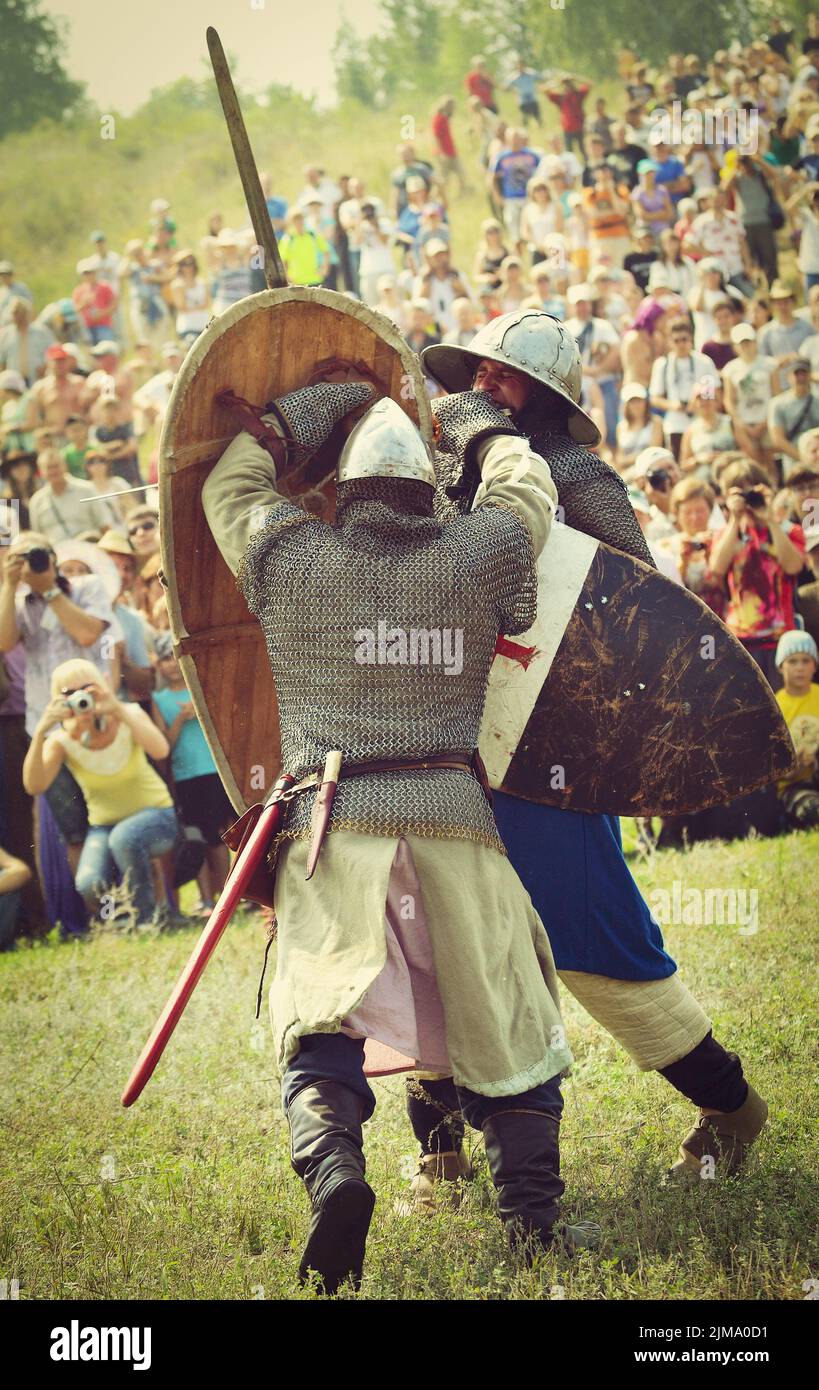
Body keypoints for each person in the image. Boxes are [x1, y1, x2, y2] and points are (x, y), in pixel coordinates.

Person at [202, 376, 600, 1291]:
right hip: (453, 826)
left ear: (337, 492)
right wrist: (471, 421)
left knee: (322, 1023)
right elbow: (526, 486)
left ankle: (337, 1172)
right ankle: (531, 1224)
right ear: (430, 492)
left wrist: (303, 411)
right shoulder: (474, 553)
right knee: (506, 1016)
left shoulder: (294, 557)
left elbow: (230, 486)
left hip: (332, 831)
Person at [415, 311, 768, 1202]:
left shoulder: (573, 475)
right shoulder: (430, 483)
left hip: (548, 761)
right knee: (432, 938)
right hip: (442, 748)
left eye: (504, 376)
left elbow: (630, 605)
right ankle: (441, 1150)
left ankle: (729, 1108)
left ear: (546, 395)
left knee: (593, 939)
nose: (483, 385)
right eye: (479, 372)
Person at [22, 659, 178, 928]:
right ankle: (118, 920)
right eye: (69, 693)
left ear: (103, 686)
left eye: (86, 688)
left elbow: (161, 750)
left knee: (124, 838)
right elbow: (34, 786)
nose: (79, 697)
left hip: (158, 817)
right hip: (104, 826)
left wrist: (116, 708)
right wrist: (40, 732)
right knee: (88, 881)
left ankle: (147, 919)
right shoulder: (61, 740)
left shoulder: (128, 714)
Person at [151, 634, 233, 914]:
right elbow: (164, 747)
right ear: (157, 665)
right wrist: (180, 720)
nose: (171, 666)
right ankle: (207, 899)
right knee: (197, 836)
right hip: (186, 777)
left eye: (173, 658)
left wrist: (200, 712)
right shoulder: (158, 699)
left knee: (220, 835)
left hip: (214, 770)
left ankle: (229, 894)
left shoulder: (201, 687)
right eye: (164, 660)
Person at [709, 459, 806, 687]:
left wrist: (770, 519)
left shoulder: (788, 530)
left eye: (753, 490)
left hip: (781, 639)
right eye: (741, 492)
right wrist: (735, 518)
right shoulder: (726, 533)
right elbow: (716, 569)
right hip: (741, 640)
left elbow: (793, 566)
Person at [649, 316, 719, 459]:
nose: (681, 344)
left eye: (684, 339)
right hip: (675, 423)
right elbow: (655, 398)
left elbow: (716, 392)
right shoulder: (663, 364)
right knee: (680, 461)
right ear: (670, 342)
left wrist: (697, 403)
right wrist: (673, 405)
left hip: (702, 421)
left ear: (691, 339)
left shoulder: (704, 362)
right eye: (676, 340)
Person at [772, 630, 819, 828]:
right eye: (792, 661)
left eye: (805, 661)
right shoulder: (774, 707)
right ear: (781, 667)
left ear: (814, 666)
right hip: (793, 786)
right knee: (811, 810)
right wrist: (791, 771)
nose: (799, 668)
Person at [722, 323, 779, 476]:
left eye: (749, 342)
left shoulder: (769, 364)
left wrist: (766, 421)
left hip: (766, 420)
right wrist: (740, 422)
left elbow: (776, 395)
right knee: (753, 463)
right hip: (744, 422)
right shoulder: (730, 369)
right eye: (742, 343)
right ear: (736, 346)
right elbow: (729, 399)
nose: (746, 346)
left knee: (770, 460)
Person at [491, 129, 541, 253]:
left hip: (529, 197)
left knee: (531, 229)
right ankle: (518, 257)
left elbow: (541, 173)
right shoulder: (502, 157)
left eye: (517, 140)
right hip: (511, 198)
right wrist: (498, 196)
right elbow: (492, 177)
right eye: (512, 140)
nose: (515, 143)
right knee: (515, 233)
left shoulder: (531, 155)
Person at [768, 358, 819, 478]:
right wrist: (804, 458)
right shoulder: (777, 404)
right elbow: (778, 439)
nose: (800, 378)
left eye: (803, 373)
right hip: (794, 461)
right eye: (797, 374)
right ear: (789, 376)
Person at [0, 299, 55, 386]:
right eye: (14, 312)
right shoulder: (6, 334)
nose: (17, 316)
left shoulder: (41, 332)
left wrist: (45, 367)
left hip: (37, 380)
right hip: (14, 382)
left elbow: (53, 351)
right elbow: (2, 360)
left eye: (20, 312)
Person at [615, 382, 663, 470]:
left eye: (639, 401)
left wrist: (628, 459)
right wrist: (639, 455)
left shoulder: (656, 422)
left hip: (650, 468)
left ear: (646, 402)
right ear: (626, 405)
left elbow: (654, 451)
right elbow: (619, 458)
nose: (636, 405)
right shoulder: (621, 427)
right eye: (632, 402)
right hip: (627, 472)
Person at [278, 210, 329, 290]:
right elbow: (283, 261)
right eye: (295, 220)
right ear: (290, 222)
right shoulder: (287, 239)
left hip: (315, 279)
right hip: (297, 282)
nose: (298, 222)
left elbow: (326, 251)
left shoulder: (312, 235)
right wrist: (287, 277)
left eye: (300, 219)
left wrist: (324, 269)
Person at [545, 74, 591, 157]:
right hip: (567, 128)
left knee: (584, 150)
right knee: (569, 153)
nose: (568, 86)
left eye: (569, 84)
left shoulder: (578, 95)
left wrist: (574, 78)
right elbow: (545, 90)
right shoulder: (560, 98)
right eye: (566, 85)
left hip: (580, 126)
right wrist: (559, 82)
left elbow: (589, 84)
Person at [431, 98, 470, 196]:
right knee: (443, 178)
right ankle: (436, 197)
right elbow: (436, 137)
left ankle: (463, 195)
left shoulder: (445, 118)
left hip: (451, 152)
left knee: (462, 174)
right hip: (444, 154)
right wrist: (441, 153)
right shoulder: (439, 119)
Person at [504, 59, 543, 127]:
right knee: (525, 119)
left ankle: (540, 129)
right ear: (517, 66)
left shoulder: (531, 73)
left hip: (532, 98)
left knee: (537, 117)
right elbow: (506, 87)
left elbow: (541, 78)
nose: (521, 67)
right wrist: (513, 90)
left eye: (522, 65)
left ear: (524, 65)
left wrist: (539, 87)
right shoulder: (514, 77)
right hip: (523, 101)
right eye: (519, 66)